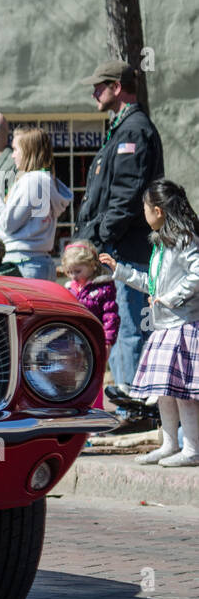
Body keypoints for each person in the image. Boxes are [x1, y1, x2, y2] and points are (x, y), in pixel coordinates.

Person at [76, 59, 166, 395]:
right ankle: (132, 401)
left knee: (131, 328)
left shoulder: (133, 130)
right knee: (119, 327)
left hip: (126, 249)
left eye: (99, 86)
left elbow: (127, 195)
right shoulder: (122, 128)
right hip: (116, 248)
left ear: (117, 88)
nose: (93, 92)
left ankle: (137, 403)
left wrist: (100, 238)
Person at [98, 179, 199, 466]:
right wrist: (122, 272)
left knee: (184, 394)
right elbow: (152, 284)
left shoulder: (186, 239)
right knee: (164, 393)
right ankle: (169, 444)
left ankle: (192, 448)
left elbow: (197, 274)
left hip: (183, 325)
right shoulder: (162, 245)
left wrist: (171, 299)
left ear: (158, 210)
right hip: (163, 328)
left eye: (144, 208)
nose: (143, 213)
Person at [0, 126, 69, 280]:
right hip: (36, 262)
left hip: (24, 265)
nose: (13, 155)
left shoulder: (32, 181)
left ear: (28, 152)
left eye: (16, 149)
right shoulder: (44, 179)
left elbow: (7, 222)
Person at [62, 240, 119, 350]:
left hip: (94, 339)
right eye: (69, 272)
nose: (73, 276)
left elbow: (110, 316)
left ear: (92, 265)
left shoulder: (103, 288)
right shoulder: (69, 289)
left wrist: (107, 341)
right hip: (72, 339)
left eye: (78, 271)